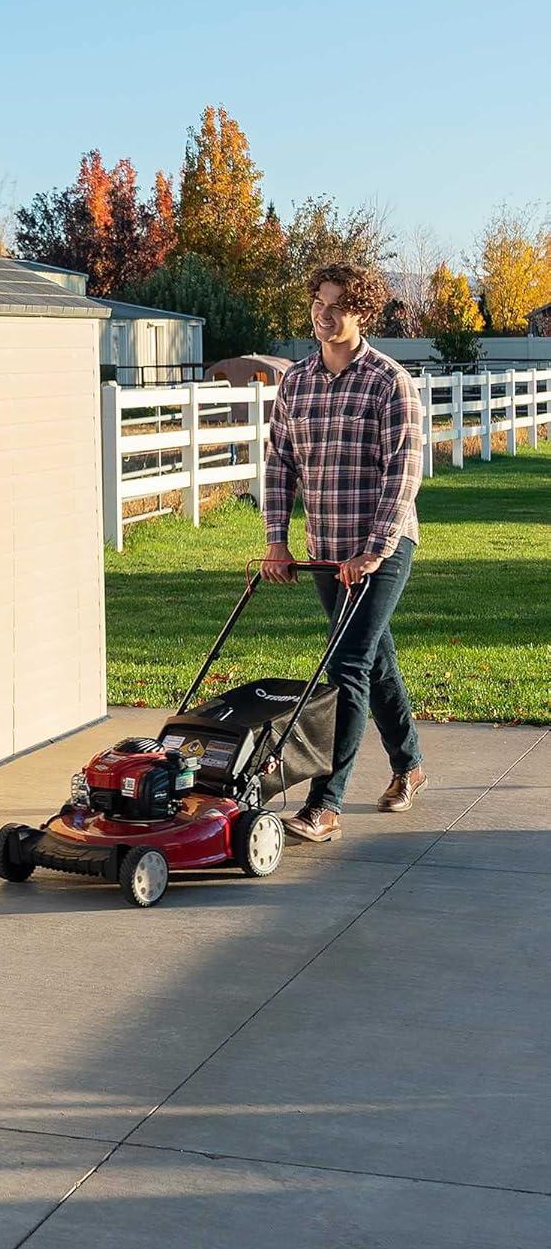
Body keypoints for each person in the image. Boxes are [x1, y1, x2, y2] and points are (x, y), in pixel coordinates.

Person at [260, 263, 426, 842]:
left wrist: (375, 551)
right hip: (326, 550)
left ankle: (324, 803)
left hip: (381, 546)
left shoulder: (388, 381)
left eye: (337, 306)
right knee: (372, 657)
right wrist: (276, 538)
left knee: (347, 665)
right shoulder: (296, 382)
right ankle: (409, 765)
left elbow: (403, 473)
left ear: (362, 314)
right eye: (318, 302)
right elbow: (279, 462)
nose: (323, 315)